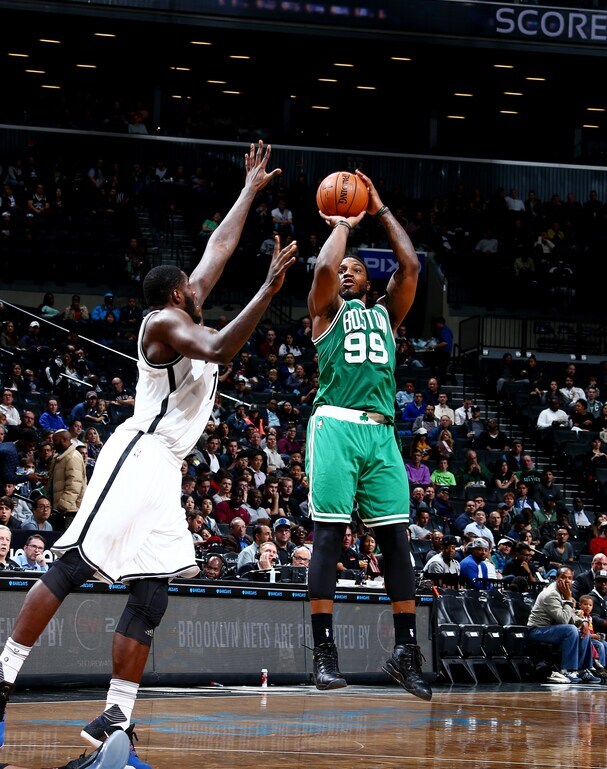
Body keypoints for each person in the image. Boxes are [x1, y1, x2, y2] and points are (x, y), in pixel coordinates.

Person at [0, 141, 297, 752]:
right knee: (75, 563)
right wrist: (266, 291)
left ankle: (114, 714)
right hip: (137, 454)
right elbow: (217, 349)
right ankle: (2, 675)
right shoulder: (163, 325)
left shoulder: (184, 310)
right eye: (190, 283)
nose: (199, 281)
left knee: (152, 591)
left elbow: (218, 249)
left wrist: (248, 190)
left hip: (167, 469)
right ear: (176, 294)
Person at [304, 170, 431, 701]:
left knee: (396, 541)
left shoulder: (387, 316)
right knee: (329, 538)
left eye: (358, 269)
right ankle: (324, 655)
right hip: (335, 423)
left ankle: (406, 652)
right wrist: (341, 224)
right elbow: (327, 266)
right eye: (346, 271)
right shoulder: (325, 312)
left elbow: (412, 265)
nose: (348, 272)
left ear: (370, 282)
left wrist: (378, 208)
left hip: (381, 435)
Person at [527, 566, 599, 684]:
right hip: (537, 630)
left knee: (582, 630)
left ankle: (583, 670)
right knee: (570, 629)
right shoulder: (551, 594)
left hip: (553, 629)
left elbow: (570, 614)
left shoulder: (565, 592)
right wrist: (568, 599)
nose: (566, 581)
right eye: (563, 577)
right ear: (556, 578)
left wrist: (583, 621)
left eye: (569, 578)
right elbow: (564, 620)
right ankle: (568, 670)